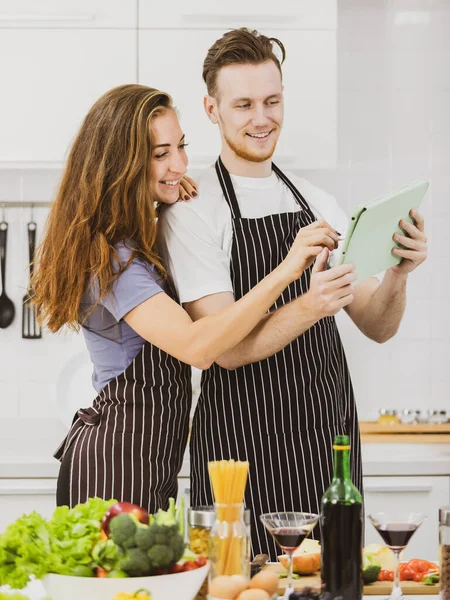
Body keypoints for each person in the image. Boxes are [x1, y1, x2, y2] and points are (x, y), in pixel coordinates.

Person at [158, 29, 428, 558]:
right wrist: (311, 302)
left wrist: (398, 272)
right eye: (244, 104)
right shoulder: (192, 210)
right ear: (211, 109)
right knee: (246, 583)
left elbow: (377, 324)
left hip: (328, 445)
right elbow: (226, 350)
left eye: (272, 101)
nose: (262, 118)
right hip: (241, 449)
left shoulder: (318, 199)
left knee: (337, 581)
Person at [32, 84, 339, 512]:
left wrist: (165, 194)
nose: (179, 163)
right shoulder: (113, 260)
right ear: (122, 164)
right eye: (160, 154)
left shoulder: (135, 241)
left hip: (150, 462)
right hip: (114, 461)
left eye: (181, 147)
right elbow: (198, 346)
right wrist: (288, 270)